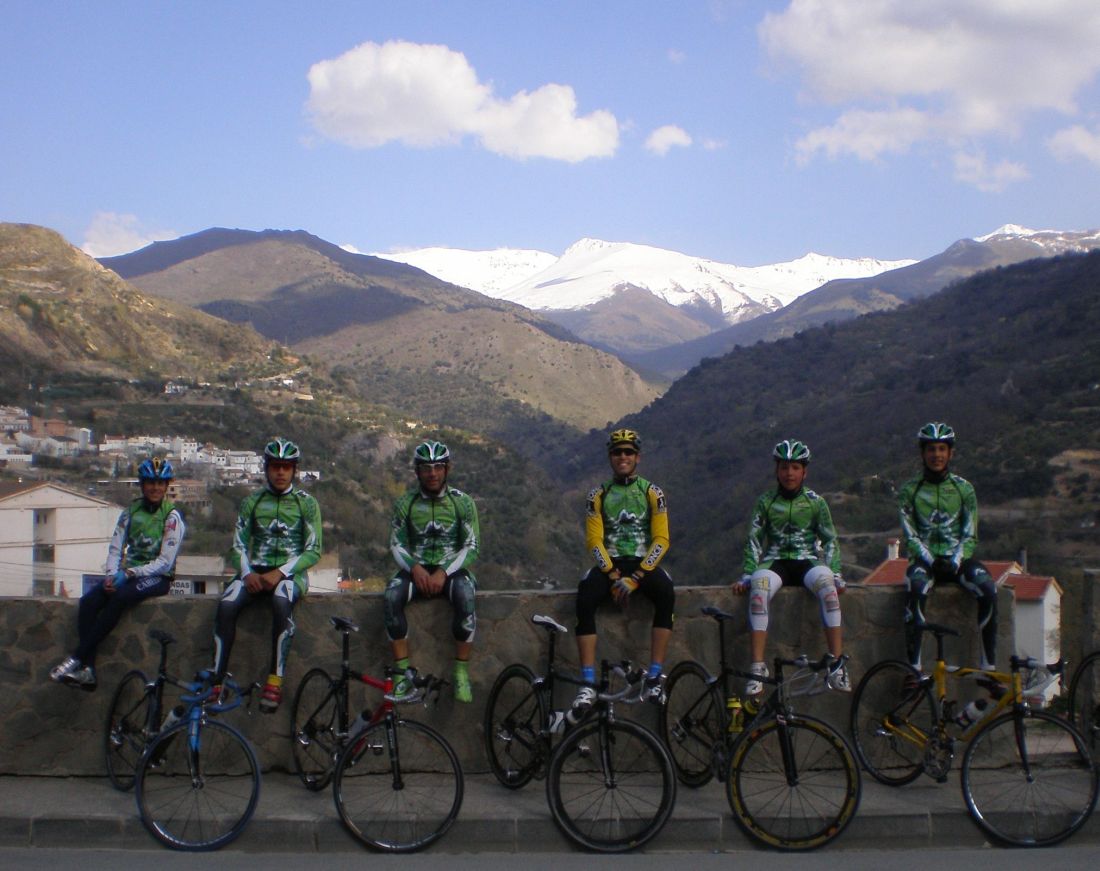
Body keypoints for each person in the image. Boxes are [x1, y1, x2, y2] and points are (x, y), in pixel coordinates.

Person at [50, 457, 185, 691]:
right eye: (150, 483)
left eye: (160, 483)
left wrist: (131, 573)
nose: (155, 488)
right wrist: (111, 575)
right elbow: (116, 548)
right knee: (89, 602)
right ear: (142, 484)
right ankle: (88, 671)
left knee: (120, 598)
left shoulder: (172, 517)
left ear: (166, 486)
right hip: (127, 574)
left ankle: (76, 658)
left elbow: (165, 563)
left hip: (157, 577)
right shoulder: (130, 512)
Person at [211, 437, 322, 713]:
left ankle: (275, 680)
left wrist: (280, 572)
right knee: (226, 605)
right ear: (266, 468)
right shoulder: (252, 501)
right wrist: (246, 573)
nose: (280, 472)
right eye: (275, 466)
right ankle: (216, 679)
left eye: (286, 467)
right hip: (255, 572)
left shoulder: (307, 504)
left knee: (281, 602)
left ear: (294, 469)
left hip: (291, 574)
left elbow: (314, 550)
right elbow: (237, 546)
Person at [570, 428, 674, 720]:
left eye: (628, 452)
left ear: (637, 457)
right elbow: (594, 541)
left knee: (666, 593)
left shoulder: (653, 493)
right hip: (611, 563)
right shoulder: (597, 495)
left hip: (642, 563)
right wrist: (614, 575)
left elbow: (662, 539)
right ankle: (588, 683)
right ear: (610, 457)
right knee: (585, 597)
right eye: (617, 452)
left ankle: (654, 677)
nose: (623, 457)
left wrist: (637, 576)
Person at [732, 440, 849, 695]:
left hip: (807, 560)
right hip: (775, 561)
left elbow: (830, 540)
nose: (789, 473)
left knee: (829, 590)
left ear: (804, 471)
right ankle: (757, 667)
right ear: (777, 470)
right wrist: (748, 574)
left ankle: (837, 664)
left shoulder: (816, 502)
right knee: (759, 590)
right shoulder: (765, 502)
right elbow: (753, 540)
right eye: (784, 467)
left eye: (795, 467)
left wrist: (836, 573)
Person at [384, 440, 480, 704]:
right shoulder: (406, 503)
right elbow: (396, 543)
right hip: (416, 568)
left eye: (438, 467)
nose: (432, 473)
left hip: (451, 569)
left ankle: (461, 671)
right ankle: (402, 674)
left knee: (466, 596)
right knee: (391, 597)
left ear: (447, 469)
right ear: (417, 471)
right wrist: (414, 568)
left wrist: (444, 572)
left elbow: (472, 546)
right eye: (426, 468)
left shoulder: (463, 503)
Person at [899, 422, 998, 673]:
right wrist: (932, 561)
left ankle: (988, 669)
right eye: (931, 449)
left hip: (957, 560)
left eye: (942, 449)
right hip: (925, 561)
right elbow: (910, 536)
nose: (937, 455)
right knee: (916, 587)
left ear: (951, 453)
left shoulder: (964, 489)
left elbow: (970, 533)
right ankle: (913, 671)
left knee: (988, 589)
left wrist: (954, 561)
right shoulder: (910, 490)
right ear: (923, 453)